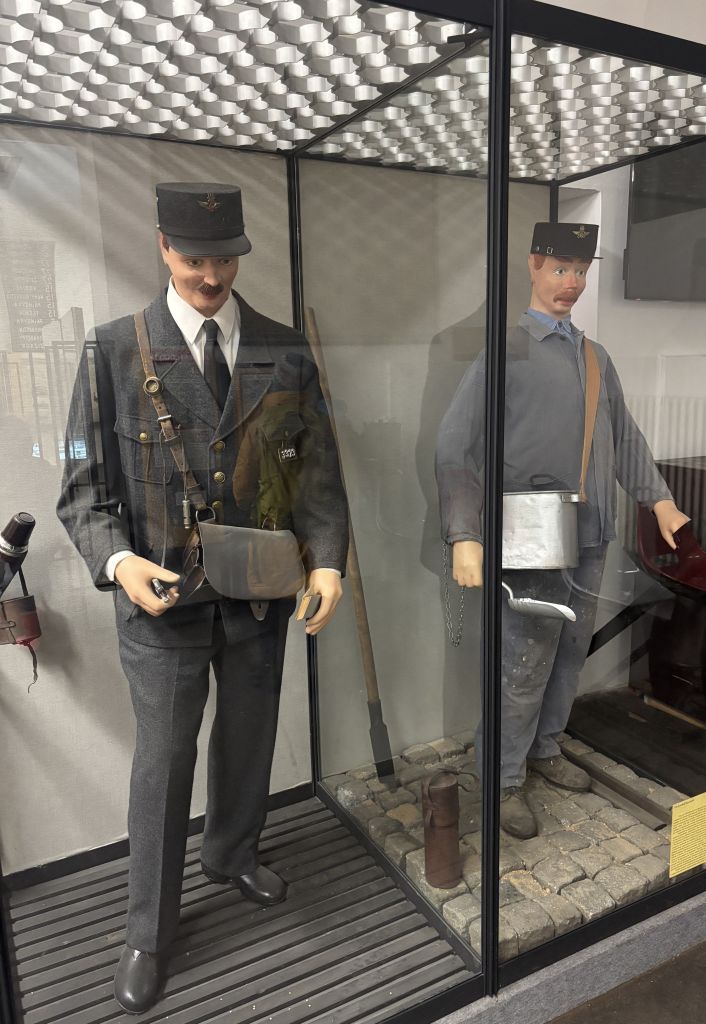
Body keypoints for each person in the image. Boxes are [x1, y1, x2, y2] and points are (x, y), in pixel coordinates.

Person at [57, 182, 348, 1013]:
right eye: (194, 259)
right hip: (162, 601)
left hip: (258, 591)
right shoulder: (113, 352)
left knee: (249, 737)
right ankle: (148, 931)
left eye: (224, 259)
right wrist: (118, 564)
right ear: (162, 247)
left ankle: (231, 853)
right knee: (163, 762)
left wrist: (328, 562)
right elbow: (81, 488)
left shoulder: (283, 350)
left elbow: (316, 469)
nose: (211, 276)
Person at [435, 222, 688, 840]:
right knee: (522, 662)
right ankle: (502, 777)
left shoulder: (595, 357)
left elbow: (624, 438)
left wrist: (659, 501)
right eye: (559, 269)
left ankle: (546, 748)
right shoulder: (506, 350)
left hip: (591, 532)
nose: (571, 282)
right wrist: (465, 533)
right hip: (530, 537)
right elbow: (454, 445)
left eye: (580, 270)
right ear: (533, 267)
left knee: (570, 653)